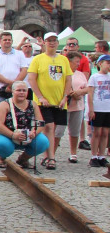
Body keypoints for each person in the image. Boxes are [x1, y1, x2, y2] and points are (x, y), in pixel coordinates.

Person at [27, 32, 72, 170]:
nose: (52, 43)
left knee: (56, 129)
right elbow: (31, 79)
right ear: (44, 43)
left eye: (54, 40)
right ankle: (51, 158)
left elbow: (68, 79)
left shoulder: (63, 60)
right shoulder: (38, 59)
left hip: (59, 100)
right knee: (49, 127)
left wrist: (65, 97)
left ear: (57, 43)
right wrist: (40, 96)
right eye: (49, 41)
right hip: (43, 101)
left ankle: (48, 155)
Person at [0, 31, 29, 158]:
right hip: (0, 89)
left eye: (9, 39)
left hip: (17, 89)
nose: (7, 41)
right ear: (0, 41)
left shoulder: (19, 54)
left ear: (12, 41)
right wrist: (9, 83)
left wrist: (15, 85)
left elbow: (24, 70)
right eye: (5, 39)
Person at [0, 81, 50, 168]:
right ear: (13, 91)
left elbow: (40, 123)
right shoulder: (4, 105)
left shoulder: (33, 104)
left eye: (24, 90)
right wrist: (12, 135)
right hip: (6, 135)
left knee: (43, 142)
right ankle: (2, 158)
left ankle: (23, 159)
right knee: (3, 145)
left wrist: (34, 132)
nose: (22, 93)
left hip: (28, 135)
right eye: (19, 90)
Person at [60, 52, 88, 163]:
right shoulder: (63, 73)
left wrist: (79, 92)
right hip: (64, 106)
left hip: (78, 106)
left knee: (75, 131)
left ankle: (73, 153)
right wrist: (70, 93)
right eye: (76, 62)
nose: (78, 64)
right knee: (58, 131)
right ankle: (51, 154)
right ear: (69, 62)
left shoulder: (80, 74)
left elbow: (87, 88)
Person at [87, 54, 110, 167]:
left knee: (105, 133)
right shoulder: (94, 77)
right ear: (100, 64)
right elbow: (90, 94)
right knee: (97, 132)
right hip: (98, 108)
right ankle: (94, 156)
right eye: (108, 63)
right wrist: (91, 109)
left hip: (108, 108)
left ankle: (102, 155)